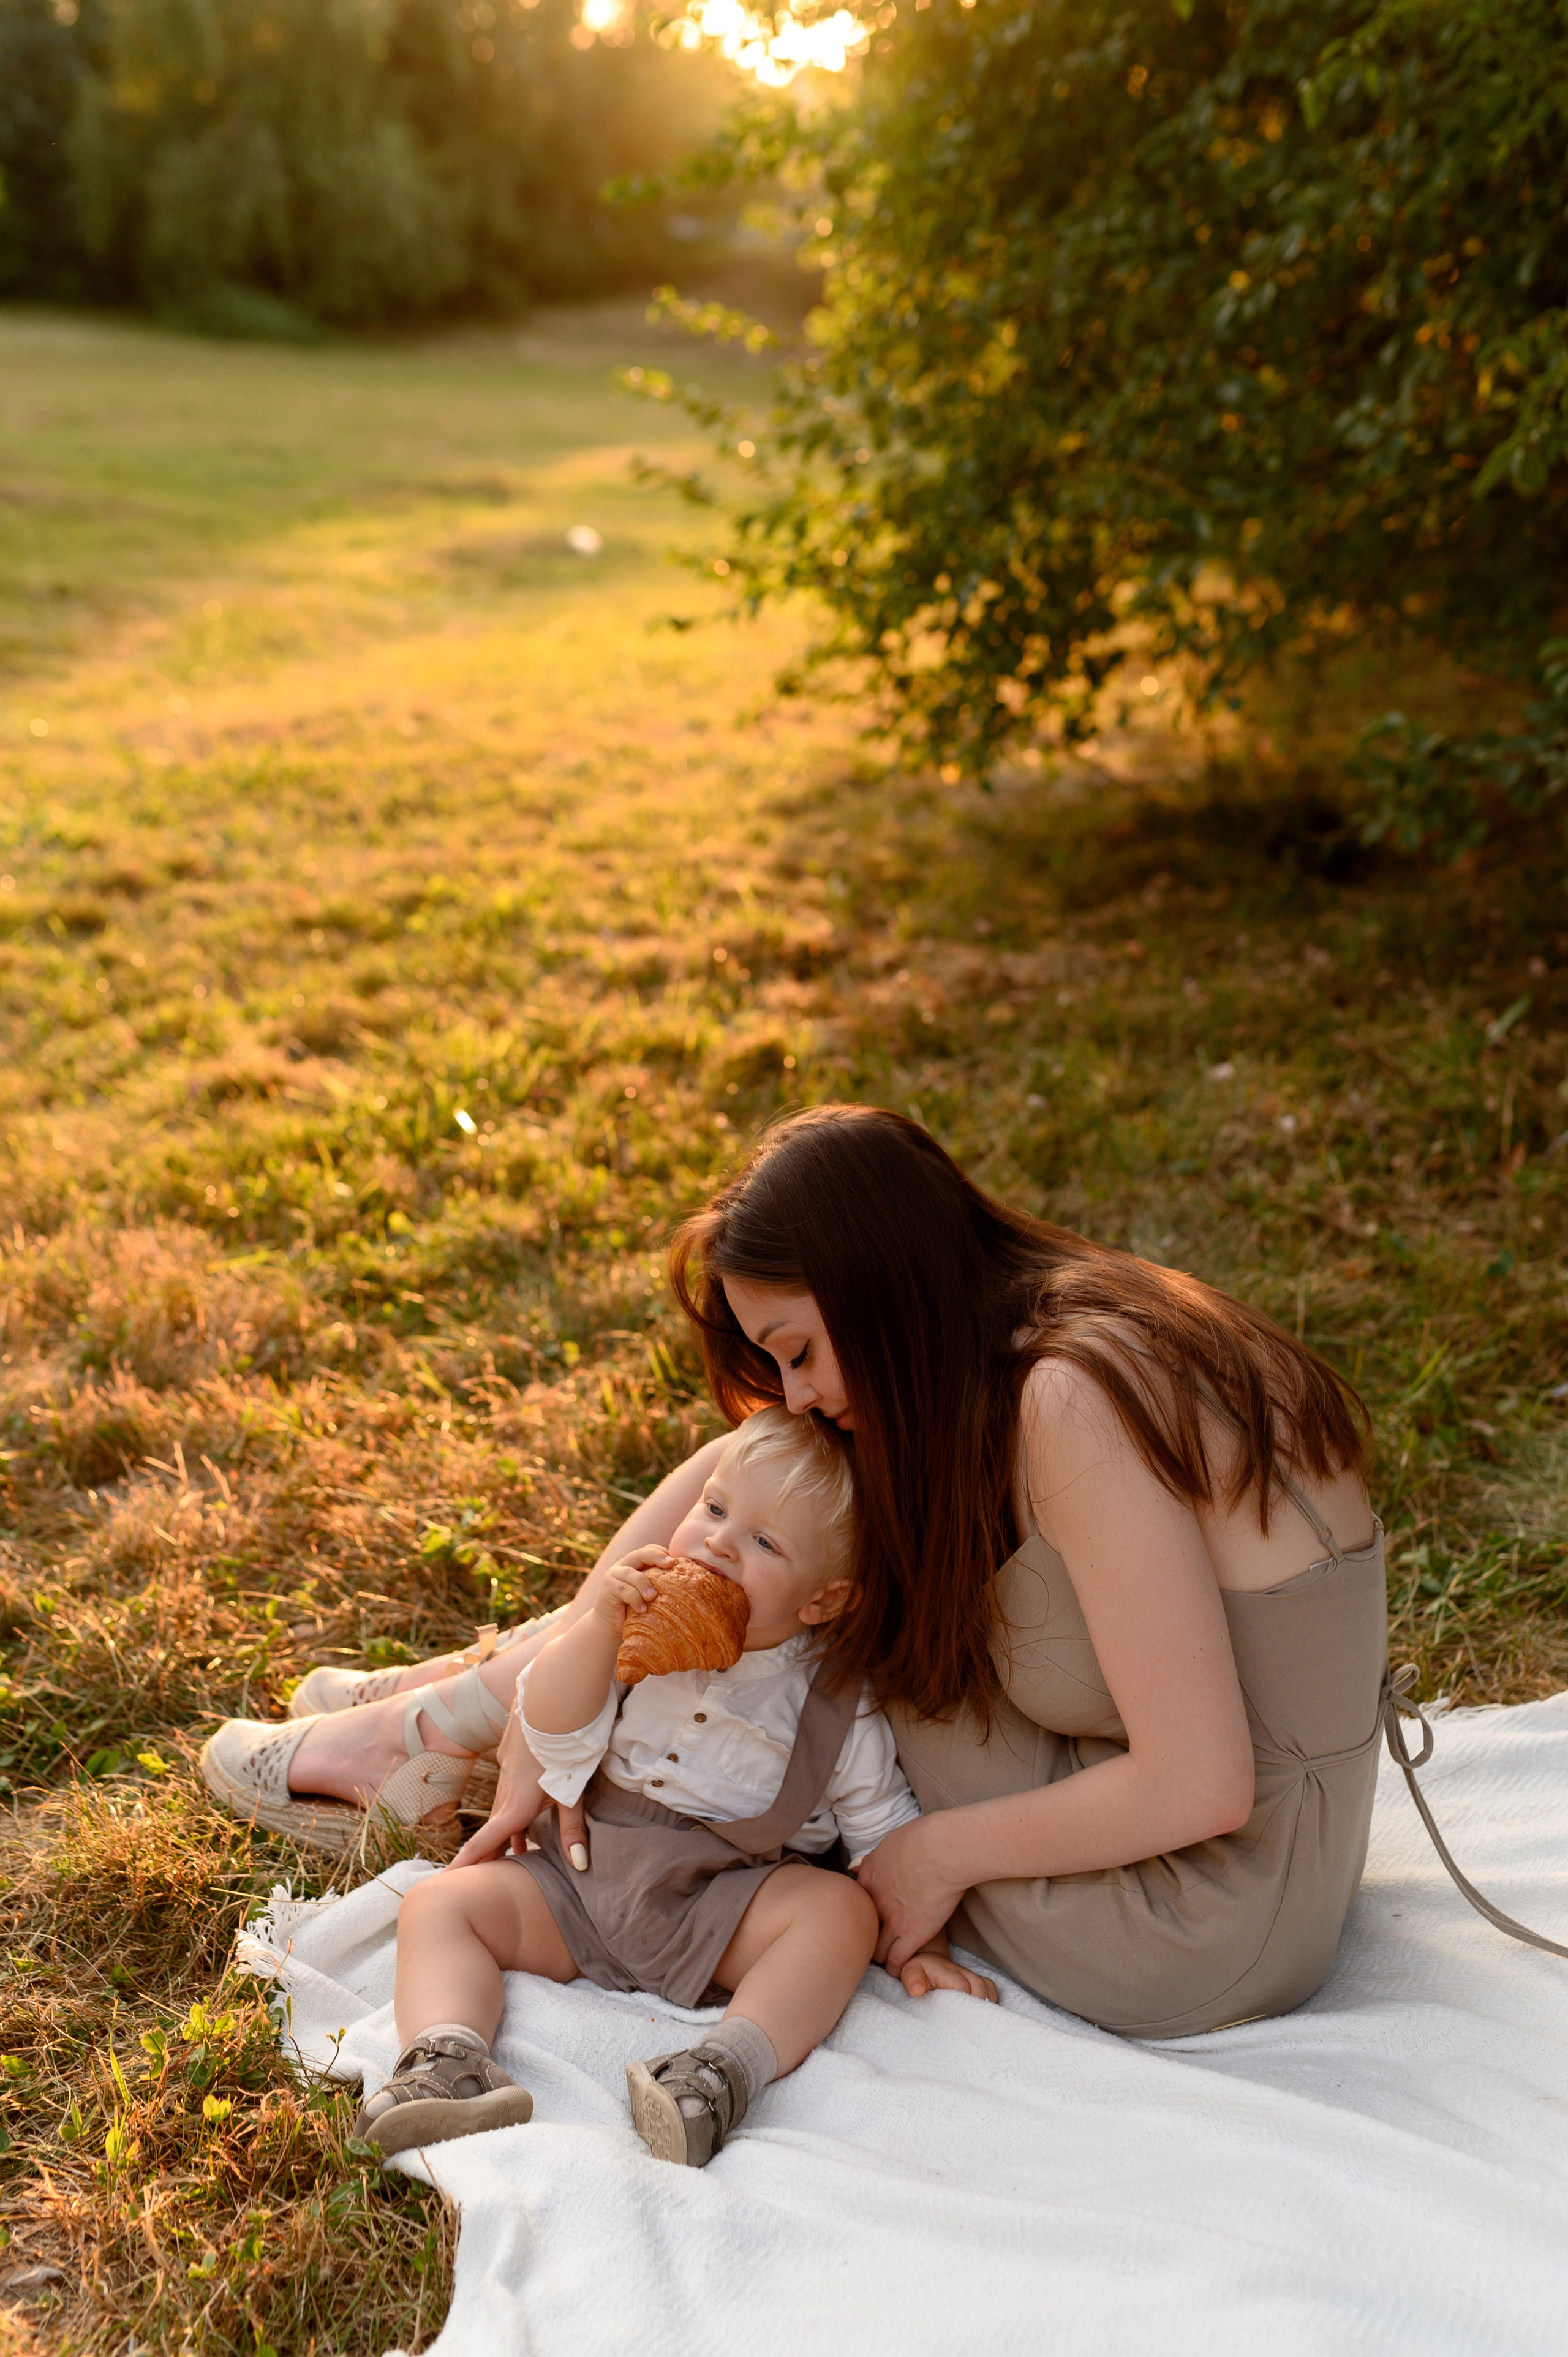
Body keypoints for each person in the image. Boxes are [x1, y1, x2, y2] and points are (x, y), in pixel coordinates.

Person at [205, 1104, 1389, 2040]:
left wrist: (930, 1853)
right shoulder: (1062, 1331)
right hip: (1263, 1858)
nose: (807, 1389)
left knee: (803, 1594)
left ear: (887, 1282)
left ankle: (459, 1715)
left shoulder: (1072, 1395)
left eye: (804, 1349)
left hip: (1201, 1910)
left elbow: (1203, 1784)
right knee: (775, 1483)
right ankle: (476, 1696)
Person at [351, 1406, 995, 2167]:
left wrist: (921, 1943)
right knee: (439, 1902)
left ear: (823, 1600)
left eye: (762, 1541)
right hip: (581, 1877)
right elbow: (554, 1730)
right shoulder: (635, 1627)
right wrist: (594, 1627)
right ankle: (446, 2059)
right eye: (715, 1509)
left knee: (839, 1912)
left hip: (722, 1904)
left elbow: (882, 1831)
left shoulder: (836, 1698)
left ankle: (718, 2072)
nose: (719, 1541)